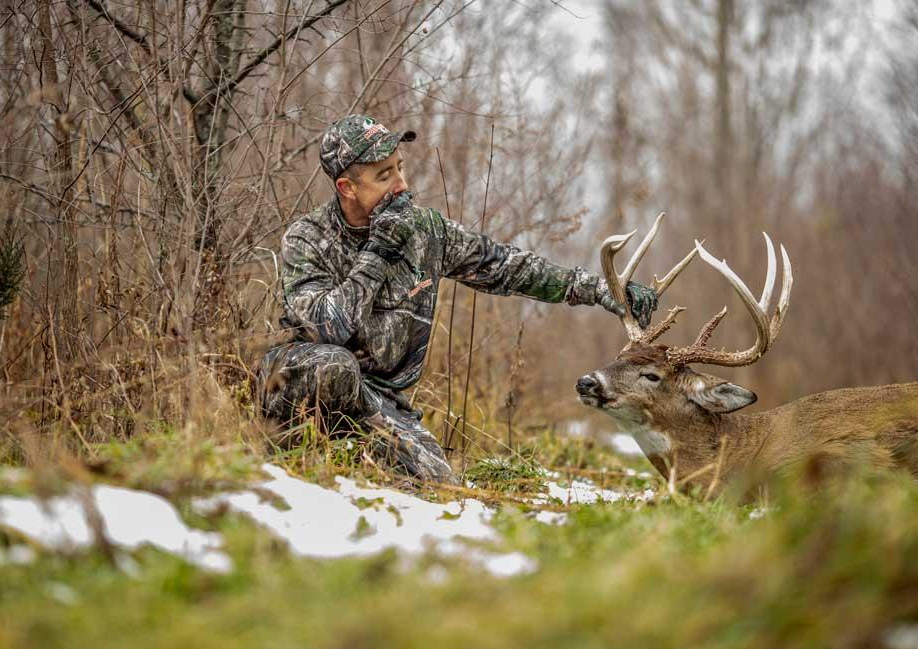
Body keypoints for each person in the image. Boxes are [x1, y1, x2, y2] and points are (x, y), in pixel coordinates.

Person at [258, 115, 658, 482]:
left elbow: (505, 266)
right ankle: (290, 473)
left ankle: (357, 458)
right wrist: (379, 251)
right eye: (384, 176)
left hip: (379, 397)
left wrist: (601, 290)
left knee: (437, 482)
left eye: (400, 167)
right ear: (346, 187)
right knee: (333, 365)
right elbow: (330, 327)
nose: (402, 185)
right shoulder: (308, 237)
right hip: (308, 377)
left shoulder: (424, 230)